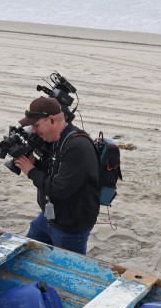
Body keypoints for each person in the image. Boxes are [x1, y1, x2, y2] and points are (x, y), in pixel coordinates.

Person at [12, 96, 101, 255]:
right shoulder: (55, 140)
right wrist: (33, 162)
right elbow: (53, 172)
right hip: (50, 216)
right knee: (27, 251)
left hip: (70, 226)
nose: (34, 130)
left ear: (52, 120)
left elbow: (59, 188)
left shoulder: (77, 146)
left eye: (36, 125)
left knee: (70, 271)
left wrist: (31, 170)